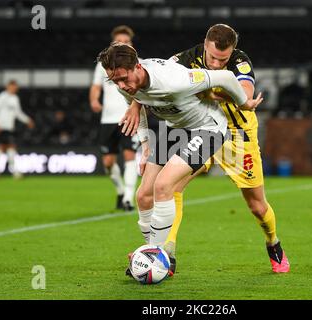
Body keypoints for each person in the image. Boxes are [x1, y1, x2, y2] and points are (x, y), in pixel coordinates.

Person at [121, 24, 290, 274]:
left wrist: (203, 89)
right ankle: (165, 254)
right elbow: (152, 83)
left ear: (232, 52)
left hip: (237, 135)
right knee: (170, 187)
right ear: (205, 44)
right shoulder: (183, 60)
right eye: (212, 57)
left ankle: (273, 242)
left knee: (257, 205)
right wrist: (136, 104)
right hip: (194, 130)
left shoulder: (240, 63)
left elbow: (244, 92)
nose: (216, 64)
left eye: (223, 59)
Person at [96, 42, 263, 277]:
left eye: (124, 79)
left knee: (164, 185)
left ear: (137, 67)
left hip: (208, 128)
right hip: (176, 129)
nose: (122, 85)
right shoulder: (125, 84)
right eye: (116, 81)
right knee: (143, 196)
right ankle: (154, 253)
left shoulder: (173, 79)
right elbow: (138, 111)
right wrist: (145, 145)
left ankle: (154, 255)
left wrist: (244, 102)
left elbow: (224, 77)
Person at [89, 25, 139, 211]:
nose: (122, 45)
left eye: (126, 42)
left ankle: (128, 198)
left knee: (129, 156)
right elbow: (95, 87)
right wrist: (94, 100)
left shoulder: (138, 64)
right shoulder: (103, 65)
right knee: (108, 163)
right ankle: (120, 191)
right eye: (119, 42)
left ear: (131, 44)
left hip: (129, 118)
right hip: (107, 119)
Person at [0, 80, 34, 179]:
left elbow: (18, 113)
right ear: (8, 86)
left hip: (9, 127)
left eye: (15, 87)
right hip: (1, 127)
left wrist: (27, 120)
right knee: (6, 147)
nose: (14, 88)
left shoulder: (15, 98)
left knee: (4, 148)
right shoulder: (2, 96)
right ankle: (11, 171)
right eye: (13, 86)